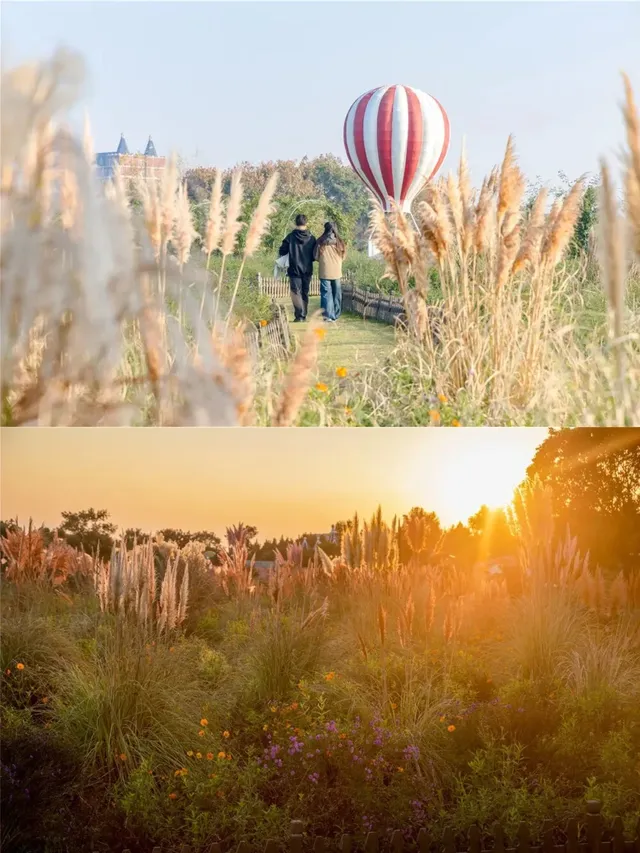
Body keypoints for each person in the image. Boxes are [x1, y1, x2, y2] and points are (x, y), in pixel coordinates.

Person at [278, 214, 316, 322]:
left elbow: (282, 251)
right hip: (307, 269)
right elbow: (314, 255)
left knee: (296, 293)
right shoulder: (311, 238)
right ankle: (303, 314)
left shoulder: (290, 237)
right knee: (304, 292)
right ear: (306, 223)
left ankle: (299, 315)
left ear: (296, 223)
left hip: (294, 270)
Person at [314, 221, 346, 322]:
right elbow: (343, 256)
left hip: (324, 271)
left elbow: (315, 256)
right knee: (337, 293)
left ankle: (328, 316)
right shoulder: (339, 242)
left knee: (326, 294)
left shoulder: (320, 241)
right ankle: (336, 314)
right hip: (337, 271)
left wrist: (323, 261)